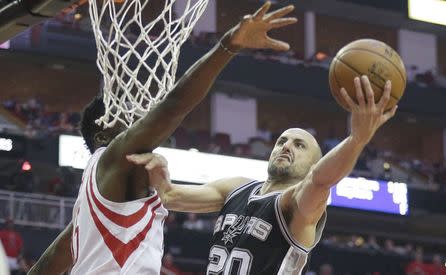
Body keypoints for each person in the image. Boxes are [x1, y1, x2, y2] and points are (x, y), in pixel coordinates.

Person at [27, 2, 297, 274]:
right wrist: (230, 45)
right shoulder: (115, 156)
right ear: (103, 130)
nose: (136, 114)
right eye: (124, 113)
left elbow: (51, 260)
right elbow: (174, 106)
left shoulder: (86, 205)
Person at [127, 76, 398, 274]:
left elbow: (321, 180)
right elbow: (172, 196)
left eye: (299, 145)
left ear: (313, 163)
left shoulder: (295, 203)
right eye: (282, 141)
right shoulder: (237, 187)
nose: (286, 146)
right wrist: (157, 167)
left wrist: (356, 140)